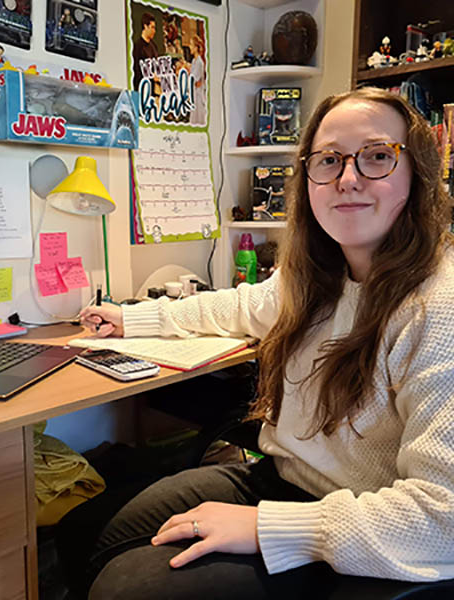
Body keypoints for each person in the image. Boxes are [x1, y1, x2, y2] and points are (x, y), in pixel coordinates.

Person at [78, 87, 454, 599]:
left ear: (418, 173)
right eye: (328, 160)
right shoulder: (319, 277)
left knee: (128, 588)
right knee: (91, 531)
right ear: (308, 180)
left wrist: (266, 529)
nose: (347, 179)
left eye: (377, 157)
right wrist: (130, 318)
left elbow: (443, 517)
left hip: (363, 531)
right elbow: (233, 307)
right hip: (285, 481)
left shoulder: (438, 306)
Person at [132, 12, 159, 91]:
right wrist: (151, 75)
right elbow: (137, 71)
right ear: (145, 26)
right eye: (152, 27)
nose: (154, 31)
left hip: (152, 91)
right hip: (142, 90)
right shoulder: (137, 47)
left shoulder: (153, 46)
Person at [188, 34, 206, 126]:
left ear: (196, 47)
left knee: (198, 122)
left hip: (198, 98)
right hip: (194, 96)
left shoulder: (199, 63)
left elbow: (193, 80)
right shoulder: (194, 61)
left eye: (191, 44)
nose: (189, 46)